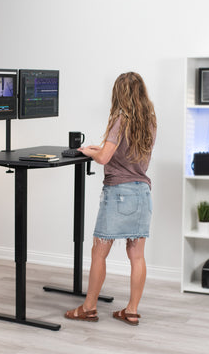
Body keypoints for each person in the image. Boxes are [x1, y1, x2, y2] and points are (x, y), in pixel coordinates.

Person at [65, 72, 157, 326]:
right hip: (141, 192)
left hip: (118, 194)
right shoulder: (149, 120)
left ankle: (88, 307)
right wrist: (98, 149)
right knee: (137, 256)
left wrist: (91, 152)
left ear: (119, 94)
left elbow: (106, 158)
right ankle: (132, 310)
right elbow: (122, 153)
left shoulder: (120, 119)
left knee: (98, 253)